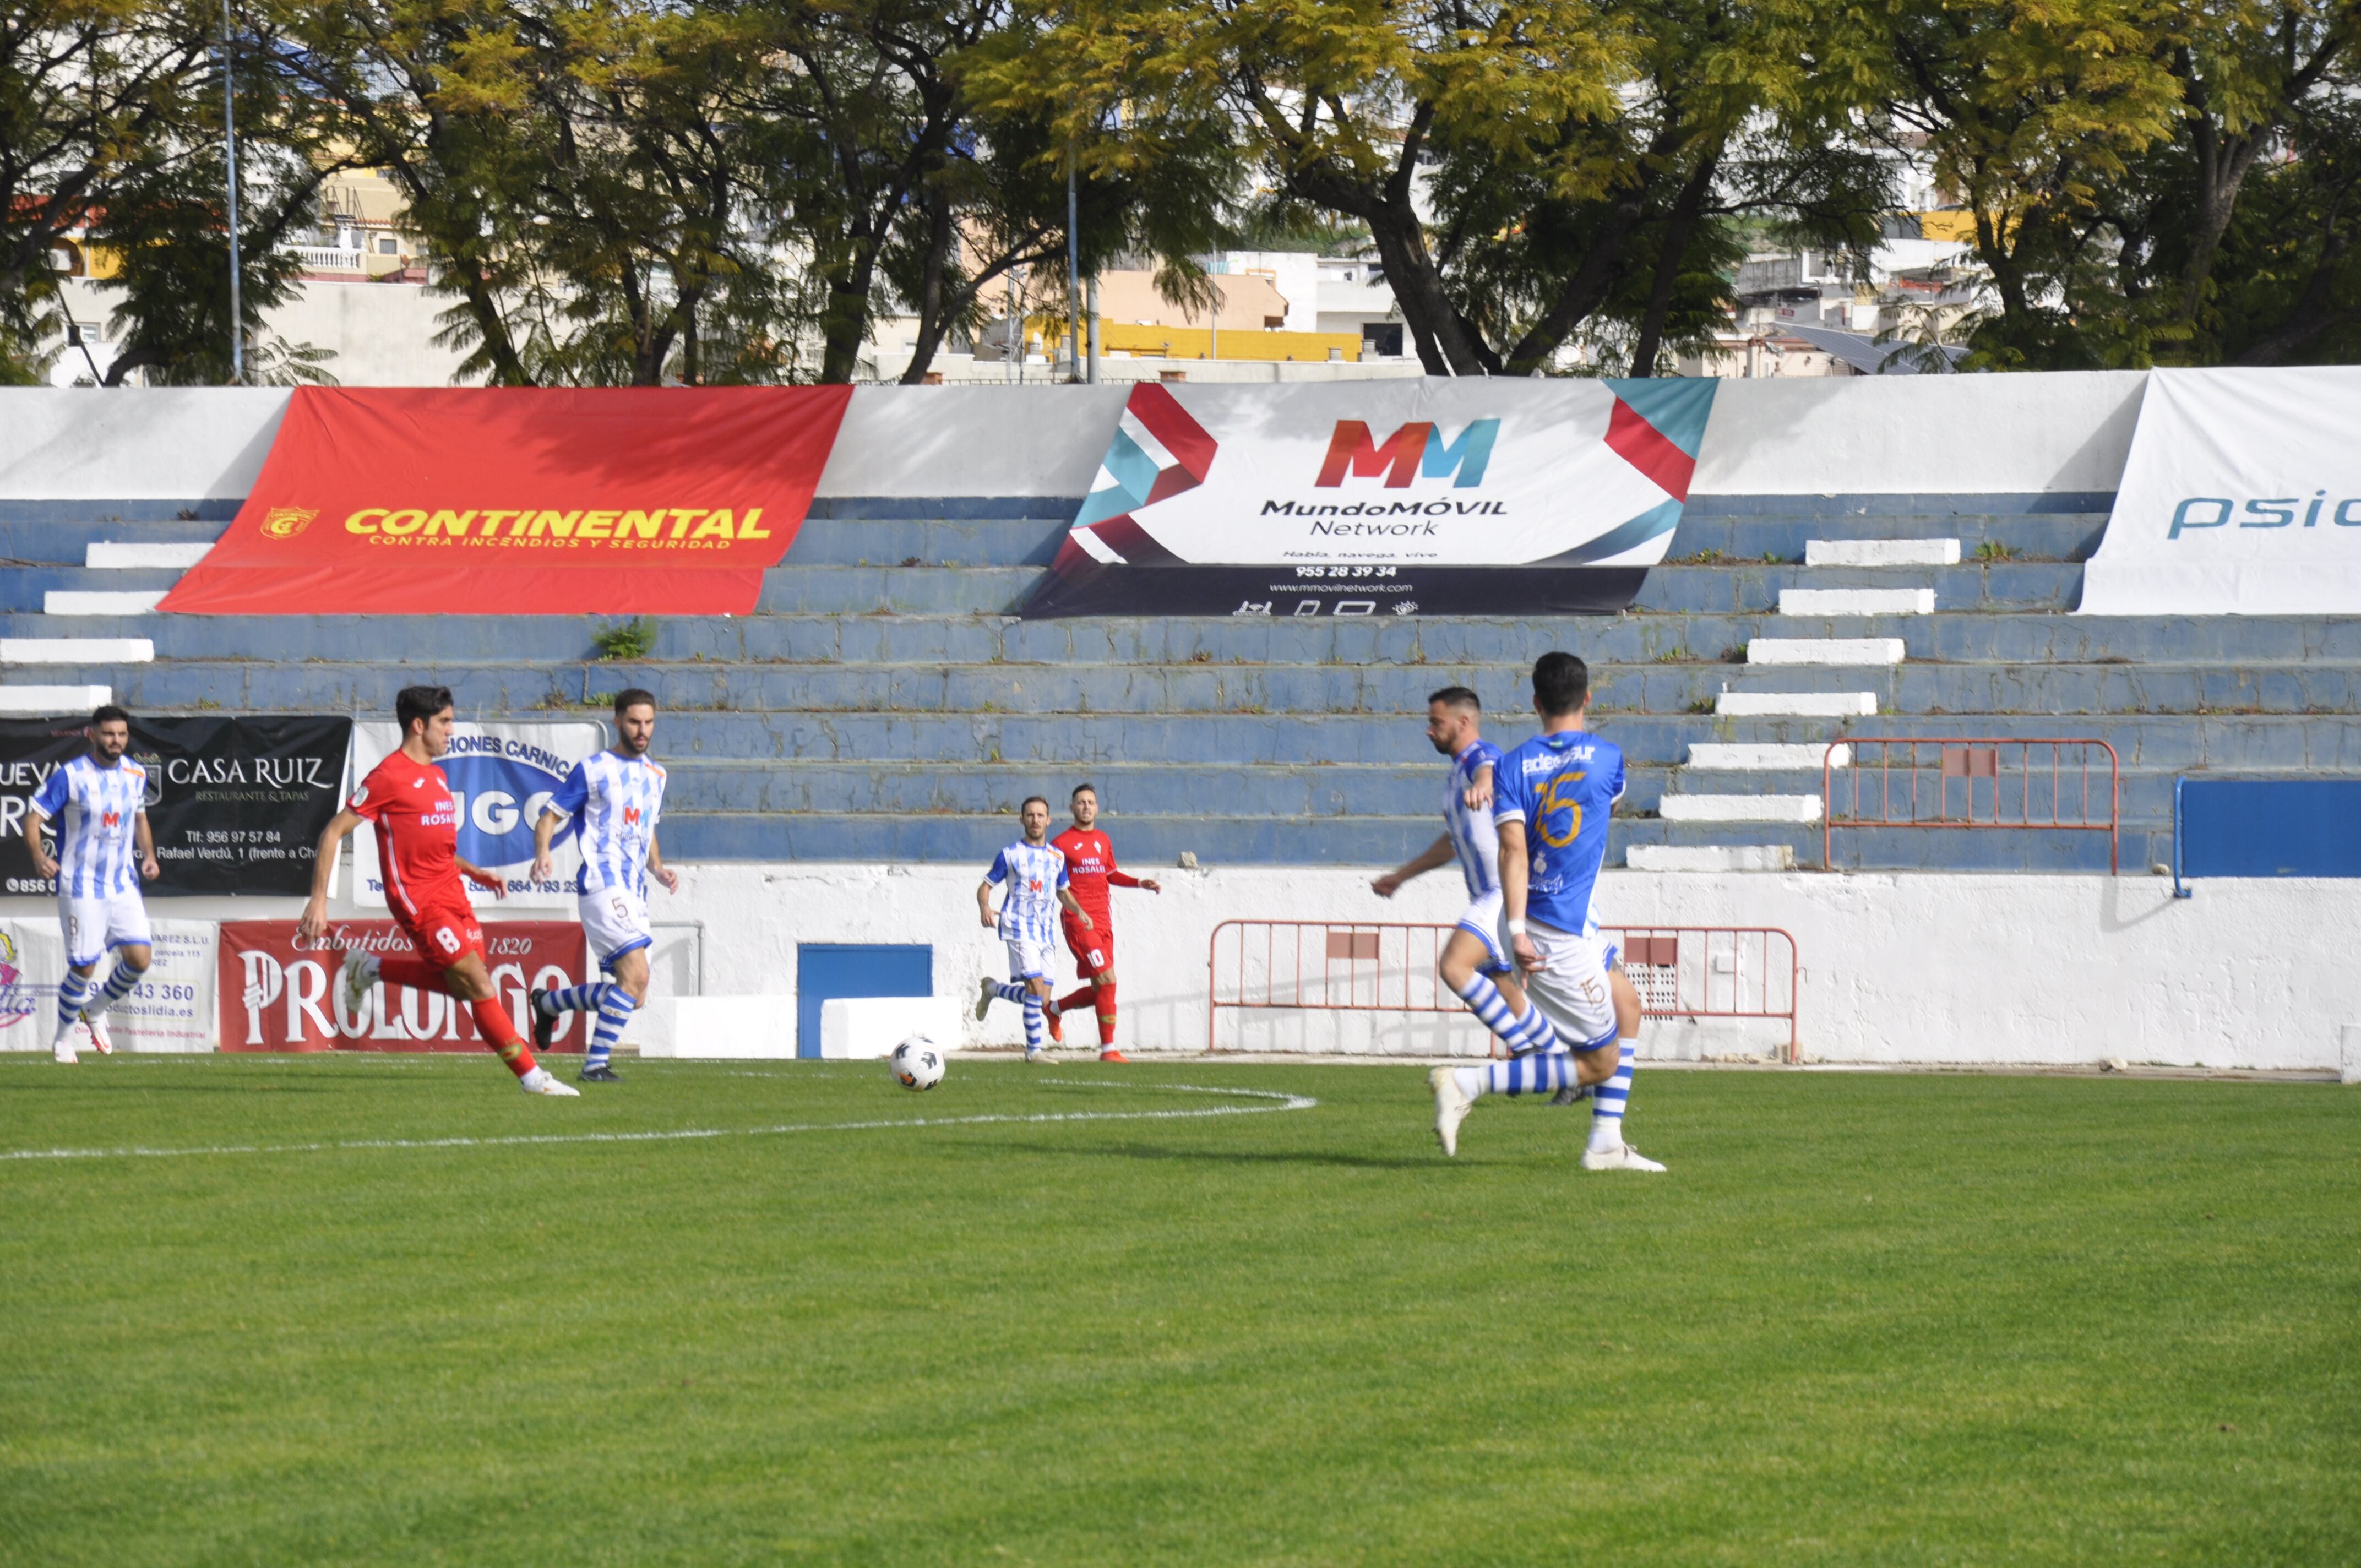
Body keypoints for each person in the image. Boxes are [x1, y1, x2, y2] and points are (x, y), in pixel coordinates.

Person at [1429, 653, 1662, 1170]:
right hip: (1559, 927)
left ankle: (1606, 1142)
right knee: (1600, 1062)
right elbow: (1611, 805)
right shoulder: (1609, 758)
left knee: (1628, 1005)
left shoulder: (1512, 765)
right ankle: (1468, 1082)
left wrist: (1514, 929)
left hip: (1547, 915)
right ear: (1588, 700)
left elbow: (1512, 851)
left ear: (1535, 703)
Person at [300, 684, 578, 1096]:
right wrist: (319, 899)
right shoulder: (387, 776)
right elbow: (333, 831)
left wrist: (477, 873)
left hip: (452, 892)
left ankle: (370, 968)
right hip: (418, 900)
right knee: (480, 985)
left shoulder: (438, 776)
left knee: (464, 983)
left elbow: (439, 848)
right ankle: (532, 1077)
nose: (450, 730)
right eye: (444, 722)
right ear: (418, 725)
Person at [1371, 687, 1562, 1061]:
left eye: (1435, 722)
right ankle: (1559, 1061)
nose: (1429, 730)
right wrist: (1401, 876)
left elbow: (1492, 769)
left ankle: (1525, 1052)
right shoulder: (1455, 778)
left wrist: (1484, 784)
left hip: (1501, 892)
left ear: (1463, 722)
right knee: (1504, 987)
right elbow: (1452, 842)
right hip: (1486, 897)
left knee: (1453, 966)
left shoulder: (1481, 757)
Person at [526, 688, 674, 1083]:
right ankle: (595, 1066)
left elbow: (648, 829)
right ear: (617, 722)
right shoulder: (593, 769)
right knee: (636, 977)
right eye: (634, 722)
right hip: (601, 886)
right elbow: (548, 816)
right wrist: (543, 852)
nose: (642, 731)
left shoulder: (657, 776)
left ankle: (550, 1003)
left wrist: (658, 868)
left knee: (634, 994)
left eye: (648, 723)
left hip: (635, 890)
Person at [26, 705, 159, 1063]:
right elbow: (33, 819)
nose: (115, 741)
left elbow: (141, 819)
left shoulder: (135, 773)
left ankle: (96, 1009)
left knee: (140, 958)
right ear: (92, 734)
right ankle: (63, 1039)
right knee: (85, 966)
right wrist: (40, 858)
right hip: (81, 884)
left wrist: (148, 855)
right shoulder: (71, 776)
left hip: (122, 885)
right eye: (108, 734)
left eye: (121, 734)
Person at [973, 796, 1096, 1061]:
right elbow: (985, 886)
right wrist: (985, 906)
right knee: (1035, 986)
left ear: (1048, 820)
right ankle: (1034, 1052)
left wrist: (1079, 911)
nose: (1035, 820)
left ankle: (993, 990)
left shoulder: (1056, 856)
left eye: (1041, 816)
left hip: (1045, 932)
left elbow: (1063, 892)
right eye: (1030, 815)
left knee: (1040, 997)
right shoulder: (1010, 855)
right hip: (1018, 928)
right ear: (1022, 820)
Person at [1046, 782, 1161, 1061]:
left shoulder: (1103, 840)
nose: (1086, 807)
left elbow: (1110, 874)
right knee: (1108, 980)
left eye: (1091, 802)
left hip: (1103, 922)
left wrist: (1138, 883)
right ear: (1072, 807)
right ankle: (1109, 1049)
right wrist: (1074, 911)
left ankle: (1054, 1009)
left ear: (1097, 808)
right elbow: (1054, 884)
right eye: (1081, 802)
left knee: (1102, 988)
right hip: (1078, 922)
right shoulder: (1060, 844)